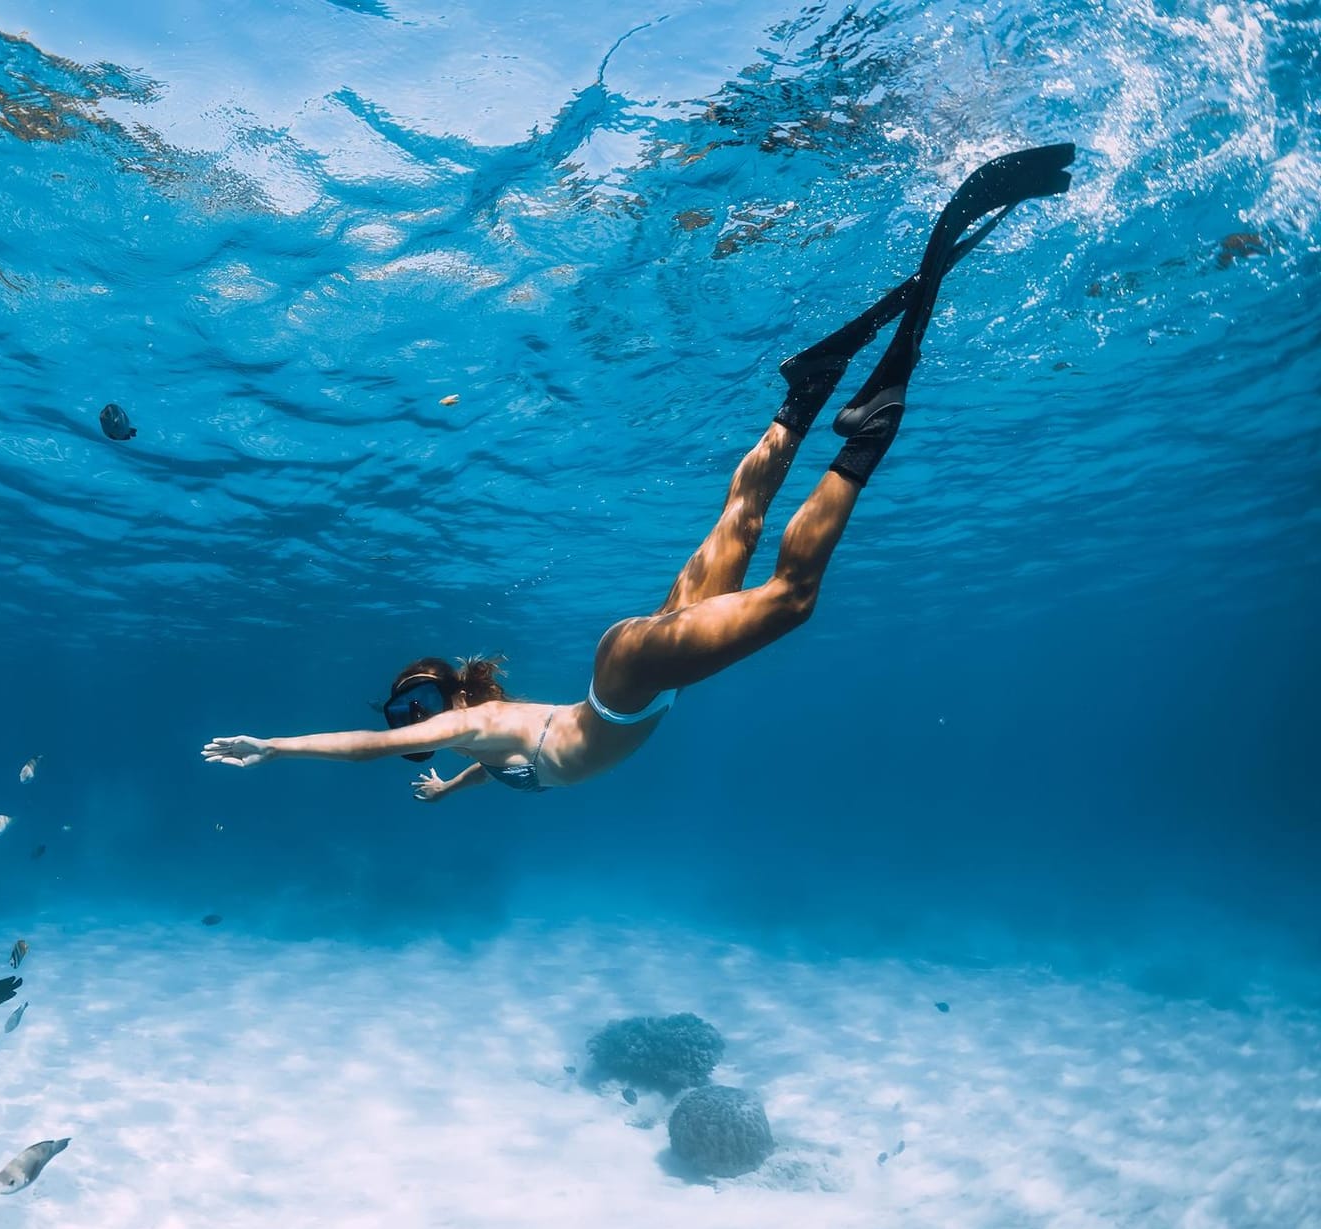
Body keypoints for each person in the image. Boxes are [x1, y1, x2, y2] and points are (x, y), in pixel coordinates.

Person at [202, 145, 1076, 800]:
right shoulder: (480, 740)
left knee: (792, 600)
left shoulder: (476, 721)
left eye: (415, 709)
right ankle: (805, 393)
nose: (411, 726)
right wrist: (449, 787)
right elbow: (490, 756)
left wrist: (273, 747)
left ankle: (867, 426)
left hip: (630, 681)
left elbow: (368, 748)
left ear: (447, 699)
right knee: (738, 524)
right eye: (406, 715)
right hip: (632, 669)